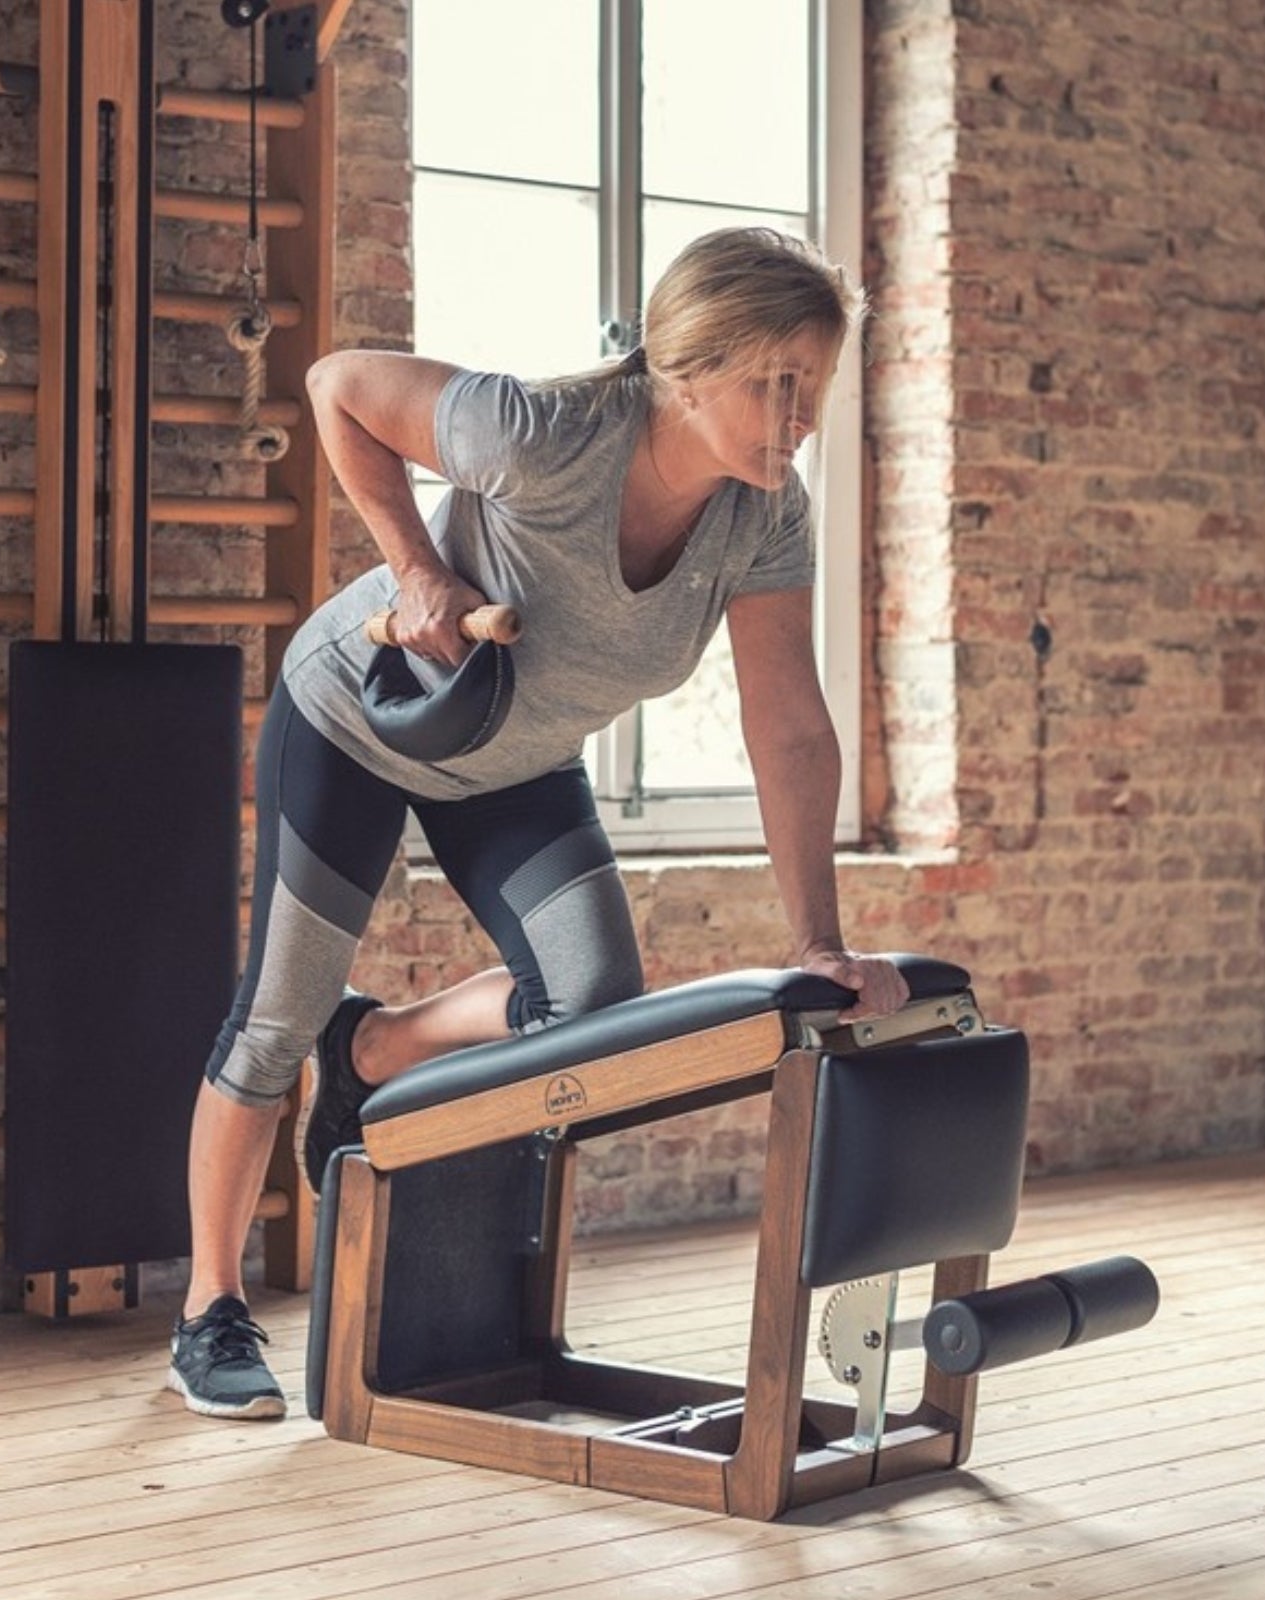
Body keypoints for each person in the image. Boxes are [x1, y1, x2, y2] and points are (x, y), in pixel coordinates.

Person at [165, 227, 911, 1420]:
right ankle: (210, 1308)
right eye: (779, 382)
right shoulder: (544, 434)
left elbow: (787, 724)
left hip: (512, 761)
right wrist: (414, 569)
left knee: (592, 1004)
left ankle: (370, 1051)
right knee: (270, 1021)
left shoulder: (764, 518)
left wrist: (819, 940)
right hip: (359, 722)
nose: (802, 413)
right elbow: (336, 386)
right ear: (688, 369)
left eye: (813, 386)